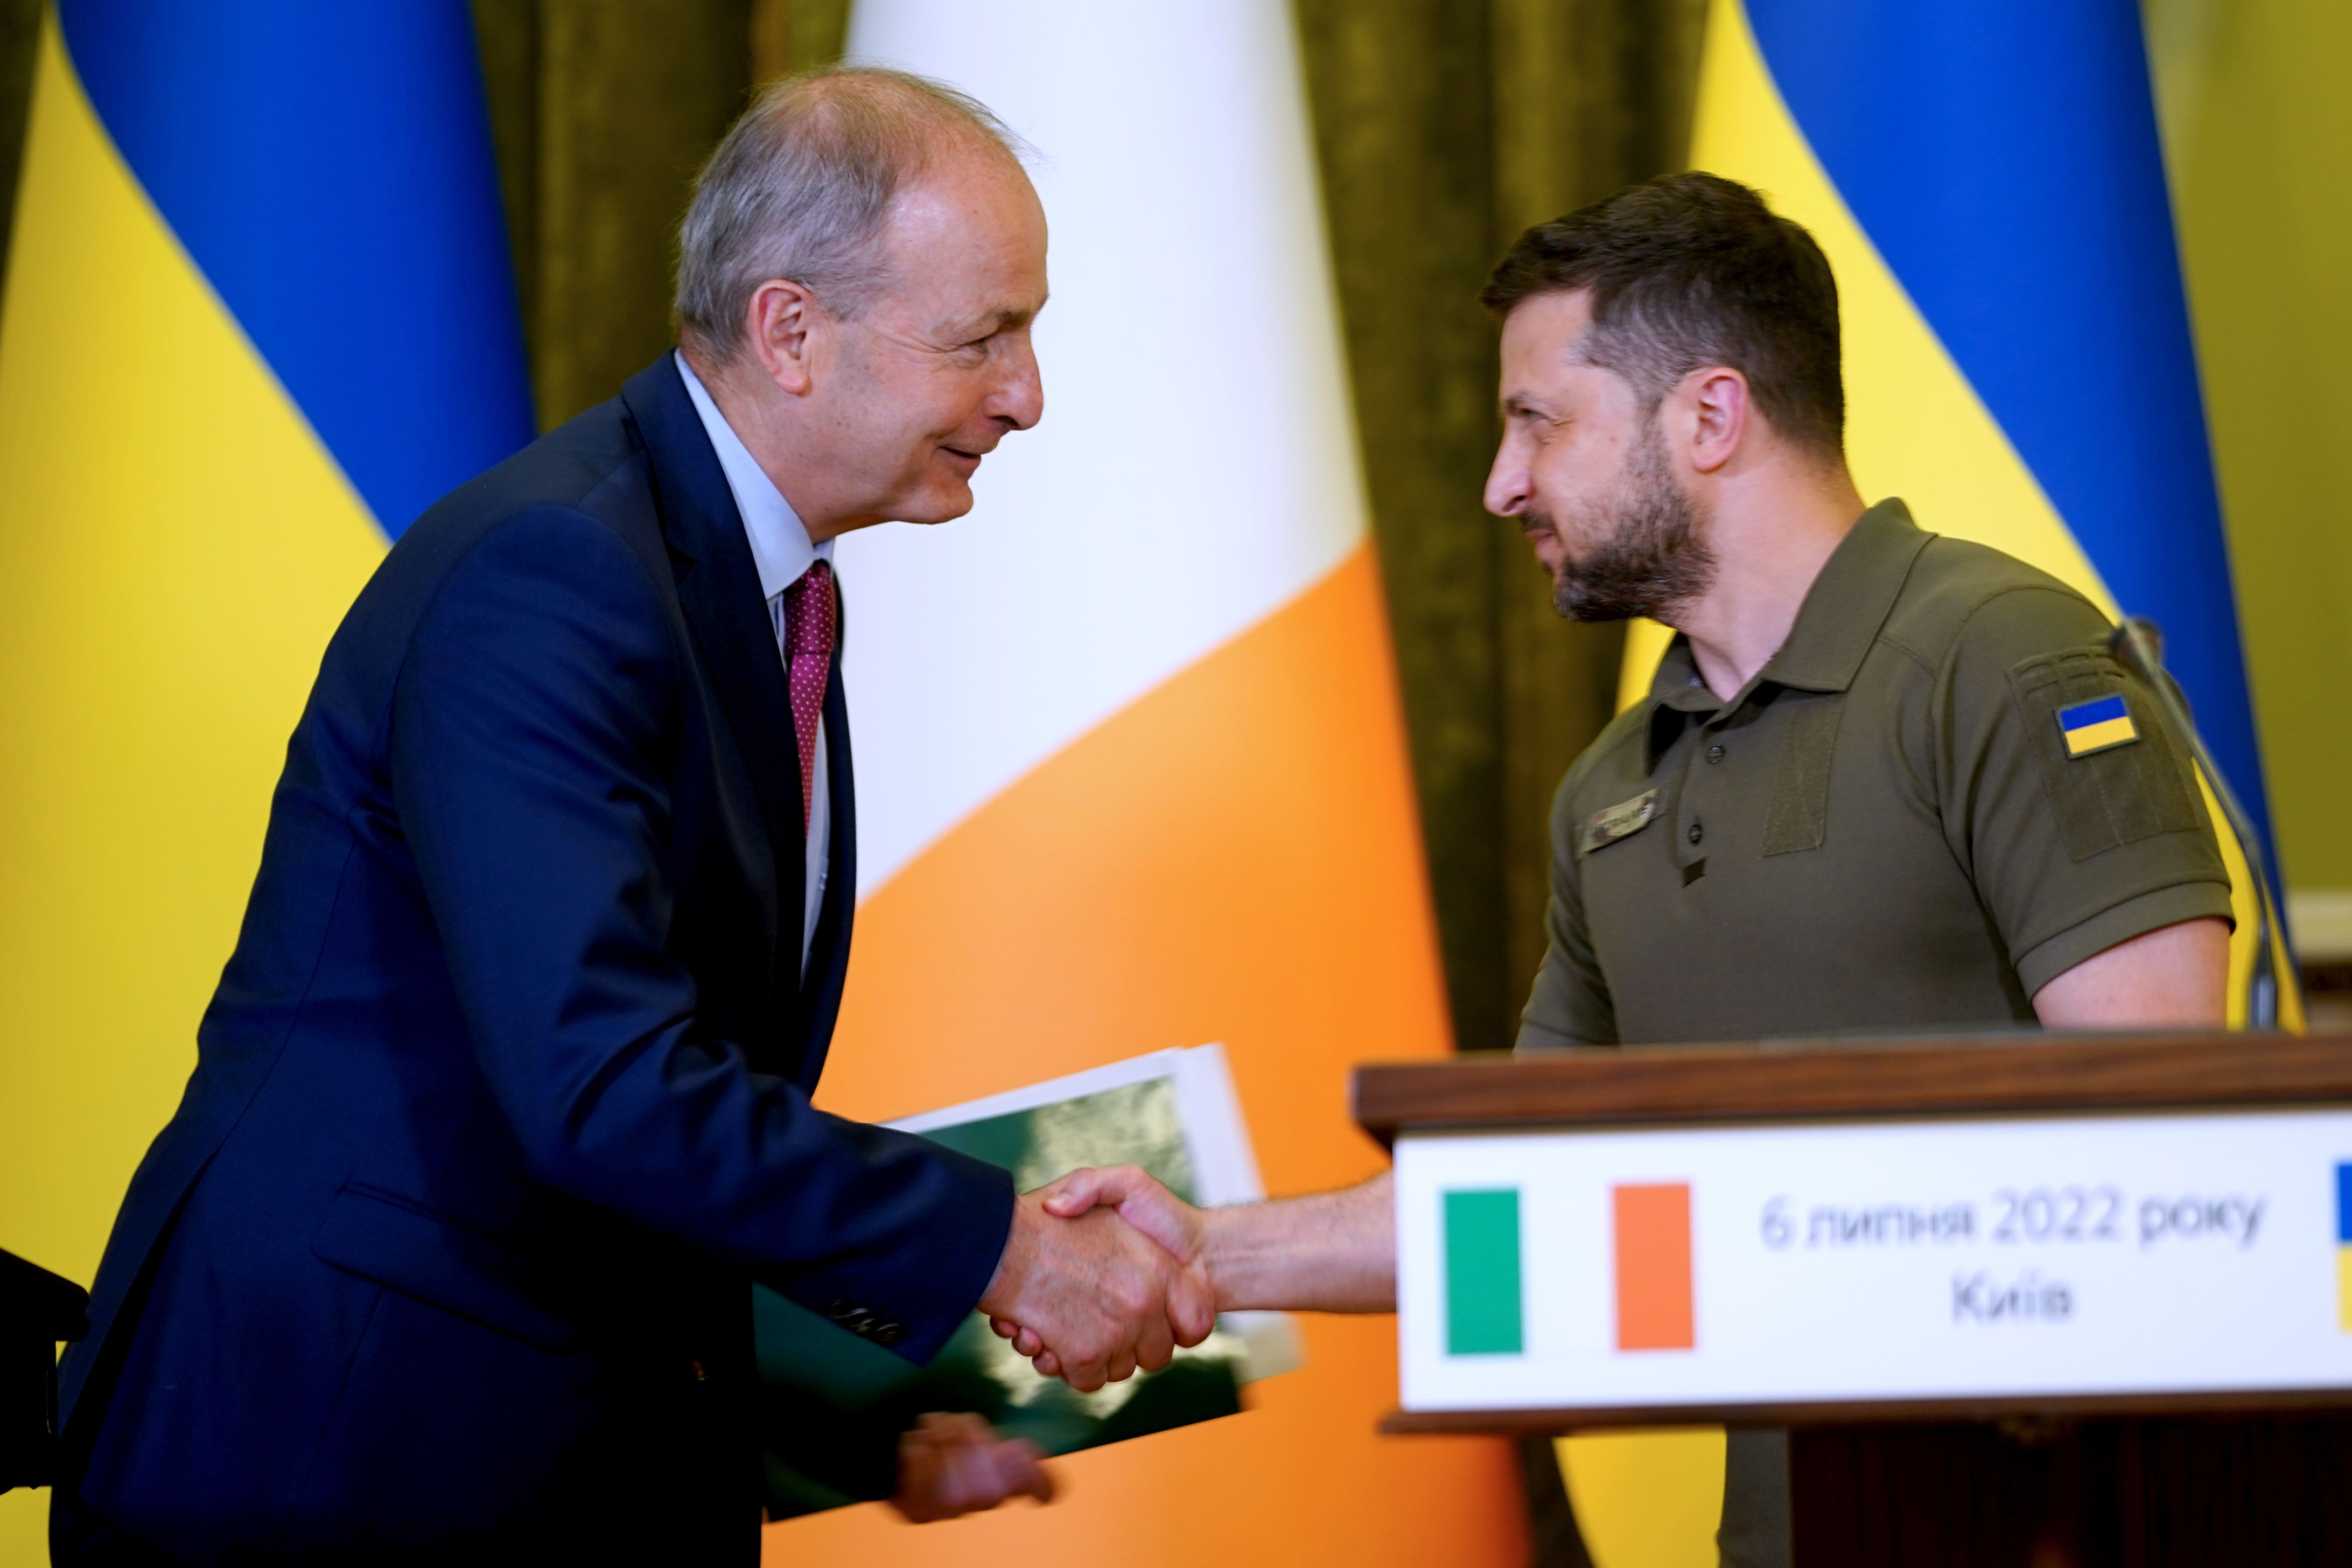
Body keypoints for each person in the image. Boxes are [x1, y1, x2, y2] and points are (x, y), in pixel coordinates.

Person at [52, 68, 1210, 1565]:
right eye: (984, 337)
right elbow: (599, 1091)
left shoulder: (758, 584)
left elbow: (644, 1125)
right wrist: (994, 1251)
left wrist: (858, 1403)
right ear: (792, 333)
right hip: (324, 1461)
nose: (1026, 395)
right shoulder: (561, 574)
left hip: (523, 1446)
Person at [999, 172, 2233, 1567]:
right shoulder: (1611, 789)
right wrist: (1206, 1255)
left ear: (1708, 416)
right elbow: (1523, 1198)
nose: (1499, 481)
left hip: (2069, 1527)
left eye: (1538, 420)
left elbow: (2165, 1137)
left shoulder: (2005, 655)